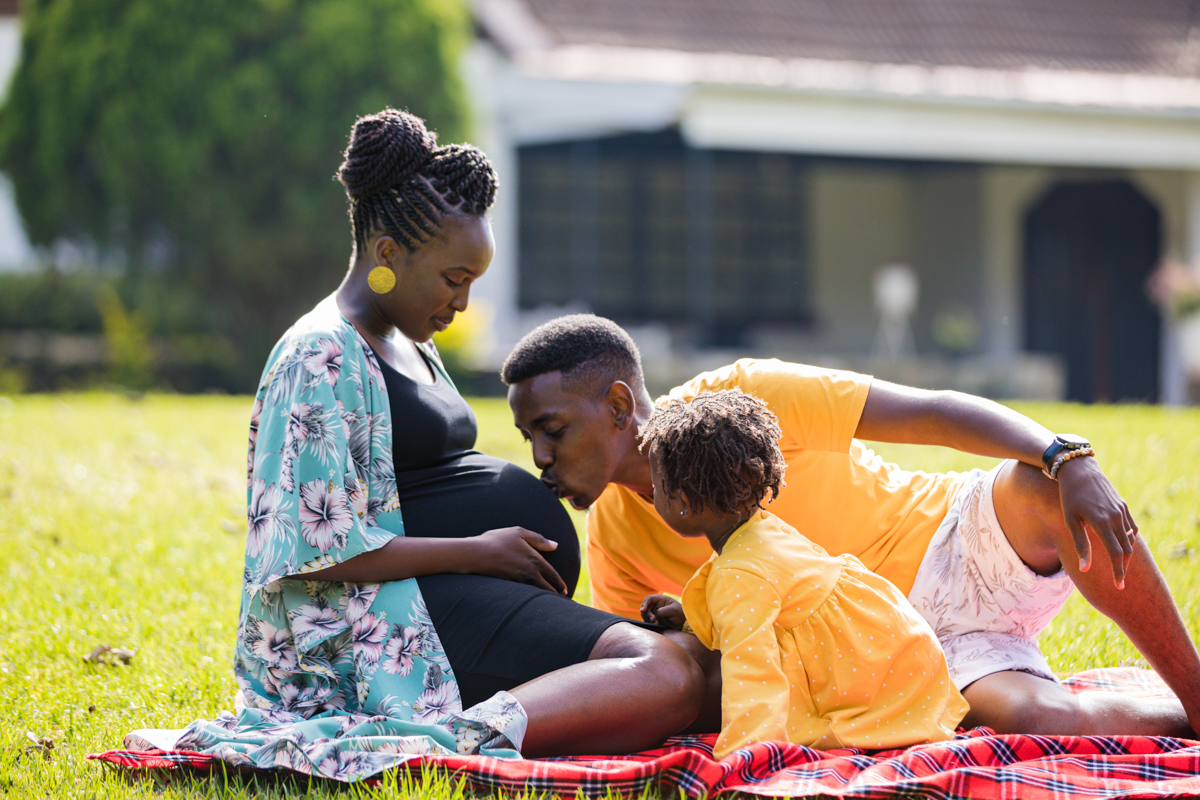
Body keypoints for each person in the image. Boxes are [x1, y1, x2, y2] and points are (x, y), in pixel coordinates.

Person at [163, 111, 708, 777]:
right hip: (382, 628)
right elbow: (302, 547)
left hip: (448, 602)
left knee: (698, 672)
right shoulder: (319, 354)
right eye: (454, 279)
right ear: (389, 255)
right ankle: (461, 740)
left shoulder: (407, 341)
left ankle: (500, 716)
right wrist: (478, 551)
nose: (463, 302)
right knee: (667, 673)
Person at [501, 313, 1200, 739]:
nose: (539, 458)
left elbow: (933, 414)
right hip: (897, 657)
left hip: (951, 535)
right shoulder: (614, 541)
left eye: (552, 431)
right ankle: (1183, 724)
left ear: (621, 404)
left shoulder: (745, 395)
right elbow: (683, 669)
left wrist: (1062, 455)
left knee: (1044, 490)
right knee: (1036, 718)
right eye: (529, 436)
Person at [638, 389, 968, 759]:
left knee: (795, 715)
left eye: (656, 487)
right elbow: (770, 606)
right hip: (902, 665)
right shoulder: (761, 529)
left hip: (872, 689)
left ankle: (878, 723)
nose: (651, 494)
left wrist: (746, 753)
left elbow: (751, 670)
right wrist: (690, 617)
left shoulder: (739, 574)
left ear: (684, 502)